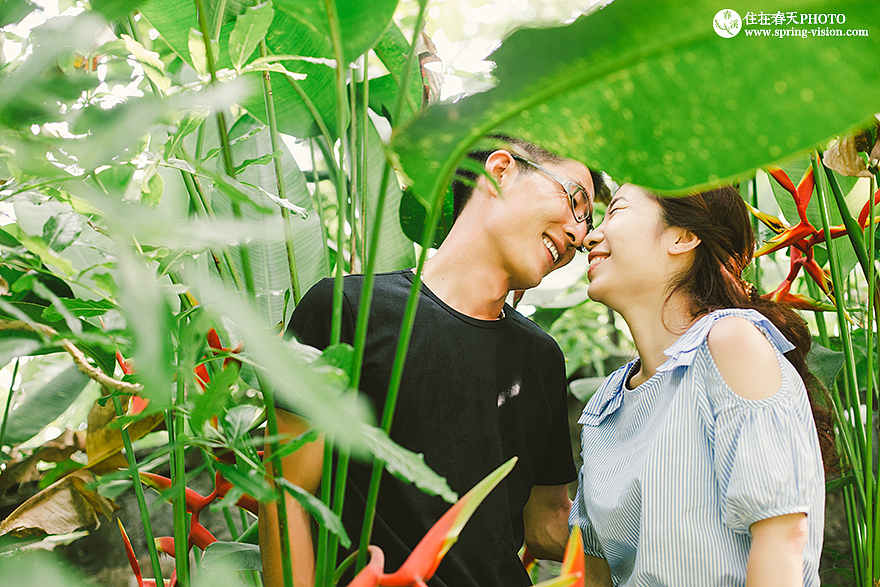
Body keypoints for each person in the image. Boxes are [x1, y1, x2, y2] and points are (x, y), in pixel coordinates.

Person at [259, 135, 608, 587]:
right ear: (500, 171)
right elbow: (285, 494)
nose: (580, 234)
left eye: (589, 222)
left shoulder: (541, 358)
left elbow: (546, 527)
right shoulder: (346, 308)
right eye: (576, 202)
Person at [570, 184, 836, 587]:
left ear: (683, 236)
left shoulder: (731, 343)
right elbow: (593, 573)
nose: (591, 235)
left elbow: (781, 541)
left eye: (616, 211)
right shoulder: (607, 400)